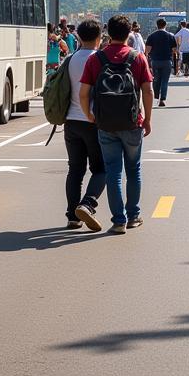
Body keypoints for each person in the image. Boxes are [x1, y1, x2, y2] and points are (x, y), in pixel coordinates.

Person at [79, 15, 154, 234]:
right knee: (134, 170)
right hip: (132, 123)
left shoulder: (96, 59)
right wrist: (147, 119)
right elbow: (148, 91)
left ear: (107, 33)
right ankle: (134, 216)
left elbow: (84, 93)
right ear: (130, 32)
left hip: (105, 124)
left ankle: (118, 220)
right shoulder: (137, 57)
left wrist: (90, 115)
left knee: (112, 171)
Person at [64, 19, 107, 231]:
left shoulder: (70, 59)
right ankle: (87, 203)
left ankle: (72, 216)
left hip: (70, 121)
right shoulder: (99, 59)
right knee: (101, 168)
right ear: (99, 37)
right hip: (92, 120)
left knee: (75, 170)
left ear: (78, 37)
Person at [145, 17, 178, 106]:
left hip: (155, 61)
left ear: (157, 25)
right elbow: (175, 50)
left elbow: (147, 50)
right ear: (165, 25)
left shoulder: (151, 36)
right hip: (167, 61)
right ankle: (162, 99)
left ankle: (156, 95)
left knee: (156, 79)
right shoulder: (171, 36)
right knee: (165, 81)